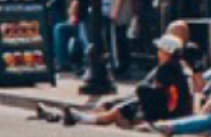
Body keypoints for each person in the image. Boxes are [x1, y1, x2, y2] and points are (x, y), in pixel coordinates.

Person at [48, 34, 191, 128]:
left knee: (117, 111)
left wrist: (141, 95)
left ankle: (81, 118)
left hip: (164, 113)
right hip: (177, 112)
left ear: (167, 52)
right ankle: (70, 115)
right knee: (115, 105)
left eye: (160, 50)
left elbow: (159, 94)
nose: (158, 53)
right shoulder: (180, 68)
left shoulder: (165, 70)